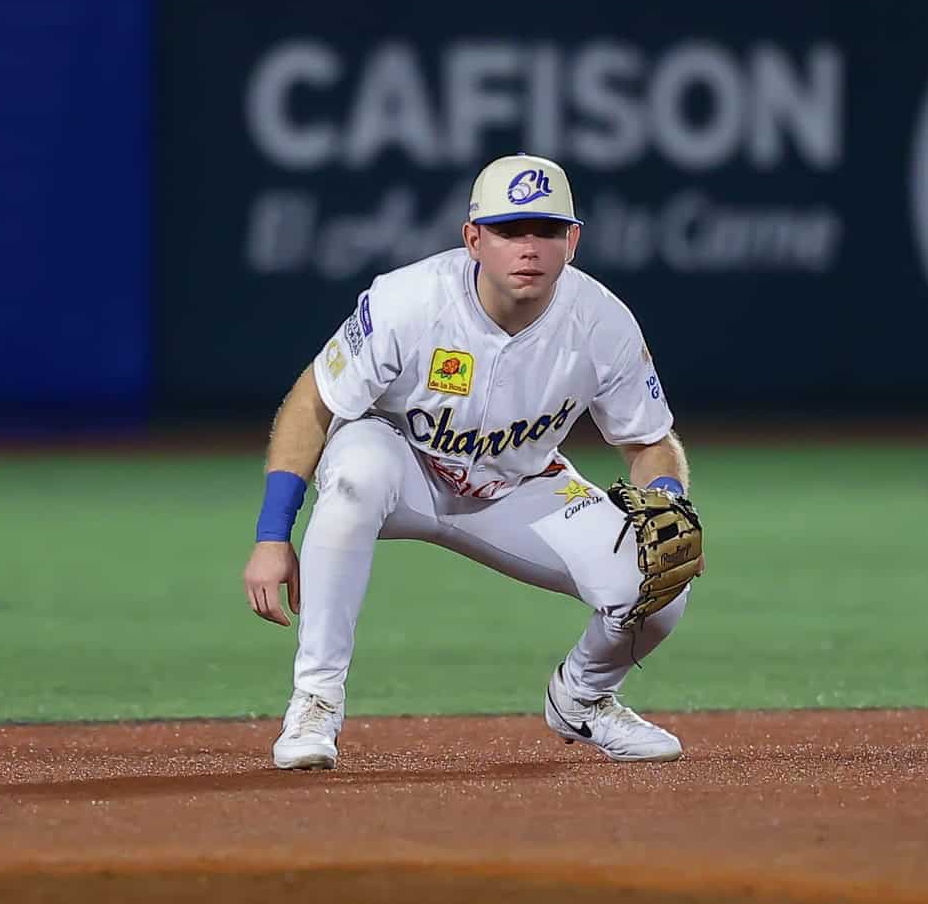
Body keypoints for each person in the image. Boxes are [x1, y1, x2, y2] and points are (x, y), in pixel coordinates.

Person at [241, 153, 702, 769]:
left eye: (545, 230)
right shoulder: (410, 300)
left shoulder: (602, 323)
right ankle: (316, 701)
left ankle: (585, 697)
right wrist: (273, 534)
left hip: (517, 487)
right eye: (510, 230)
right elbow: (313, 402)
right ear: (473, 239)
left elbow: (649, 441)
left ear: (573, 241)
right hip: (402, 466)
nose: (528, 247)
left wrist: (670, 499)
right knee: (356, 474)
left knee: (660, 583)